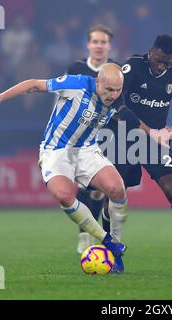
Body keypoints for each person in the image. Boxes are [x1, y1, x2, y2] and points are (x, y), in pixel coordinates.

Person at [0, 63, 172, 273]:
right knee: (64, 196)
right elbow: (34, 84)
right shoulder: (76, 84)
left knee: (117, 188)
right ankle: (106, 240)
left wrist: (153, 133)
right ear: (98, 82)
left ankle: (116, 249)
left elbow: (130, 119)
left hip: (87, 150)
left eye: (118, 90)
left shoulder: (116, 99)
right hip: (56, 151)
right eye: (109, 90)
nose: (113, 95)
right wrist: (0, 97)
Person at [103, 35, 172, 270]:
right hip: (124, 137)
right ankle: (111, 248)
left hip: (156, 141)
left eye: (166, 62)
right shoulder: (132, 67)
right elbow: (118, 103)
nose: (161, 66)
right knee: (114, 193)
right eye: (158, 60)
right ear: (150, 51)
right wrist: (148, 130)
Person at [66, 24, 118, 254]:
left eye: (103, 42)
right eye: (95, 41)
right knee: (83, 187)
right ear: (88, 44)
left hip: (105, 134)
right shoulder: (76, 68)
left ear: (109, 45)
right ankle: (85, 232)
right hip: (78, 135)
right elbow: (63, 99)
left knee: (99, 189)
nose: (99, 46)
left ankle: (90, 233)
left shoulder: (115, 71)